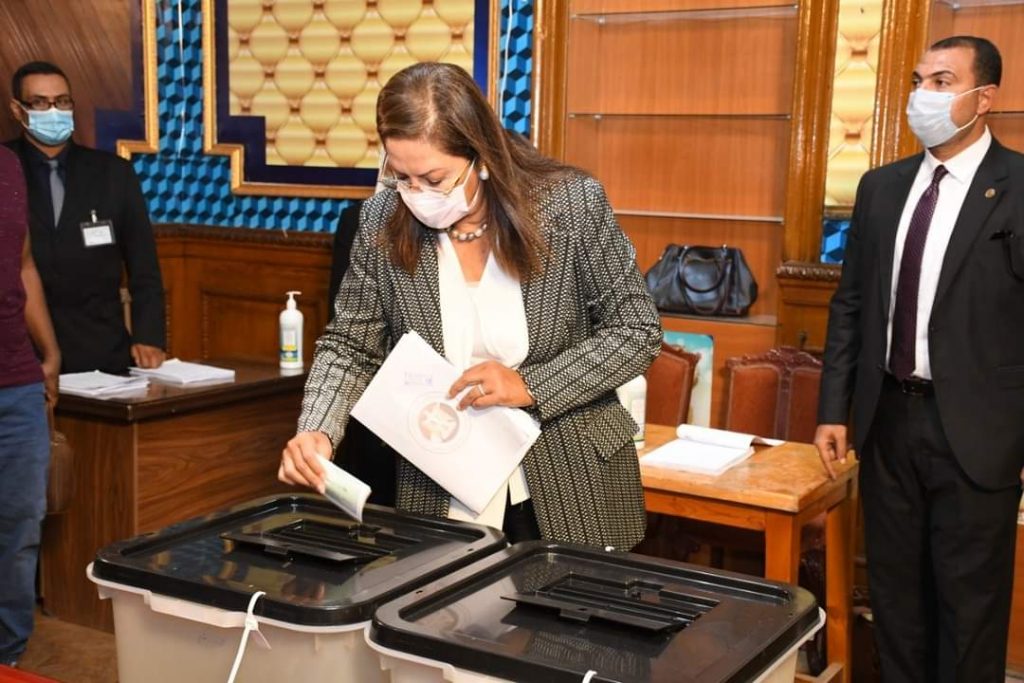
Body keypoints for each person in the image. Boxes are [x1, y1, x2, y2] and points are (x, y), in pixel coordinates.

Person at [279, 62, 661, 548]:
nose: (417, 195)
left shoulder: (569, 205)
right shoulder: (381, 221)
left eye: (434, 178)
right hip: (441, 487)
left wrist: (530, 385)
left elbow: (636, 329)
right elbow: (350, 346)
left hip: (573, 481)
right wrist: (318, 429)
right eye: (402, 177)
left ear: (480, 156)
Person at [815, 36, 1024, 682]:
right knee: (896, 603)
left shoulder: (1019, 187)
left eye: (941, 82)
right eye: (917, 80)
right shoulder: (881, 187)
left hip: (981, 434)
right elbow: (850, 304)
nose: (922, 96)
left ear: (983, 99)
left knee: (970, 614)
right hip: (888, 424)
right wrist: (833, 409)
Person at [6, 61, 165, 374]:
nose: (54, 111)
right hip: (19, 351)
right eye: (40, 103)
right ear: (17, 109)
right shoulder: (4, 169)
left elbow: (143, 265)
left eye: (62, 101)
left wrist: (149, 335)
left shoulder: (113, 173)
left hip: (101, 350)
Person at [0, 145, 60, 666]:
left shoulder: (8, 166)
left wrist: (49, 352)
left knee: (21, 524)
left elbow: (22, 266)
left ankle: (9, 656)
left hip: (16, 382)